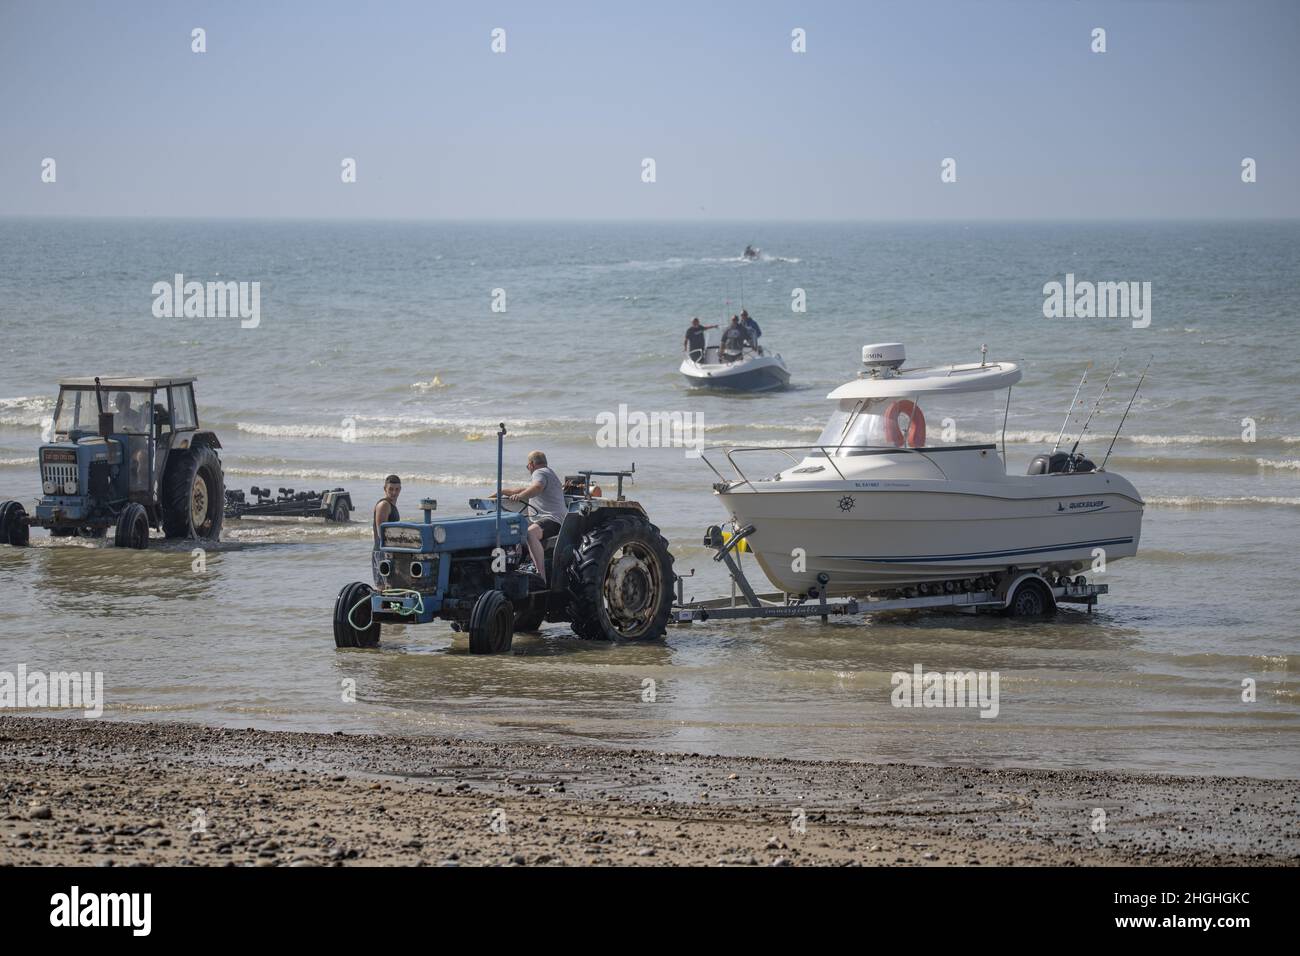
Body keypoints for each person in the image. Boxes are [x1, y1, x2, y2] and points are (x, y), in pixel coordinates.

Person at [497, 451, 567, 574]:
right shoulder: (548, 473)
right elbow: (523, 489)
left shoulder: (539, 472)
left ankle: (540, 574)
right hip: (554, 519)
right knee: (516, 532)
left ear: (531, 464)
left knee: (529, 534)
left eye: (527, 467)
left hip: (553, 519)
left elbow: (537, 487)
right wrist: (500, 492)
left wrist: (519, 496)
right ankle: (516, 568)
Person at [372, 475, 401, 548]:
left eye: (397, 489)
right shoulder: (384, 505)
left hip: (389, 550)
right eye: (391, 489)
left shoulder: (391, 505)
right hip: (382, 552)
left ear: (400, 489)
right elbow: (381, 534)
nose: (394, 492)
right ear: (385, 489)